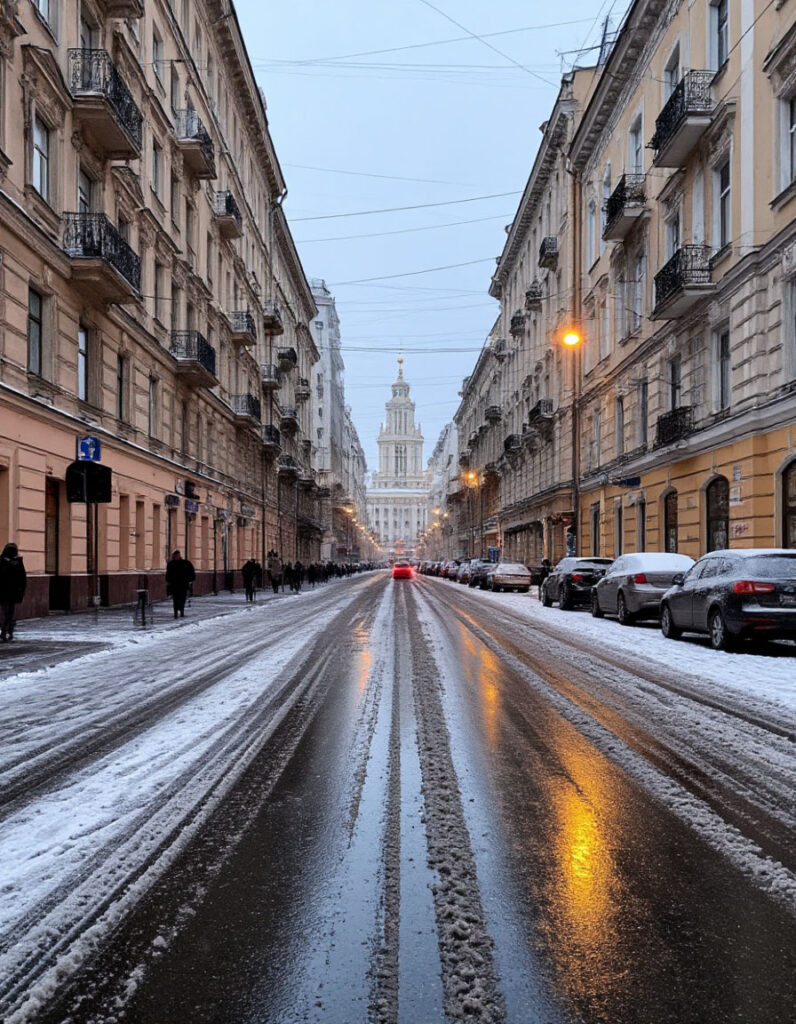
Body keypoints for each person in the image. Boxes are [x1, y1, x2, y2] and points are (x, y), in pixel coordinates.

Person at [0, 542, 27, 642]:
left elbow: (22, 578)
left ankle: (5, 630)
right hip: (12, 592)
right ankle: (7, 630)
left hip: (4, 591)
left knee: (6, 612)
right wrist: (21, 591)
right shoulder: (17, 562)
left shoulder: (2, 561)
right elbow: (23, 579)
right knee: (9, 612)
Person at [166, 550, 195, 618]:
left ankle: (181, 610)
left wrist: (190, 580)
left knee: (181, 598)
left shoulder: (185, 563)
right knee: (177, 598)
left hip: (181, 584)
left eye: (177, 556)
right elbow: (168, 574)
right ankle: (176, 612)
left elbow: (191, 571)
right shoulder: (172, 564)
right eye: (175, 556)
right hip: (177, 584)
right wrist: (168, 581)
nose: (176, 557)